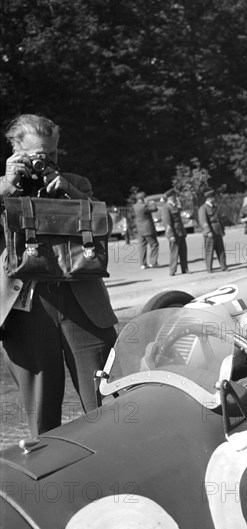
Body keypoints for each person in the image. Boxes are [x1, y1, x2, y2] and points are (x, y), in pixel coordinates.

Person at [0, 114, 118, 437]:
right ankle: (54, 485)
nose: (47, 162)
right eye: (38, 155)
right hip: (26, 310)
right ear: (15, 151)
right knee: (42, 422)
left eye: (52, 155)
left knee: (108, 404)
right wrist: (8, 186)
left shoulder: (76, 184)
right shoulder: (3, 188)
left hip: (83, 303)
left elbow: (103, 225)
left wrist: (67, 191)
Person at [198, 189, 228, 273]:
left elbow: (218, 219)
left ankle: (224, 266)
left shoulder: (214, 207)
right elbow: (203, 221)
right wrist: (208, 231)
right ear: (210, 198)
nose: (214, 199)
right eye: (213, 197)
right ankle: (209, 268)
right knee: (209, 251)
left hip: (217, 231)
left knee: (221, 250)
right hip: (210, 233)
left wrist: (222, 229)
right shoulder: (203, 208)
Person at [161, 189, 189, 276]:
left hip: (180, 231)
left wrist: (178, 202)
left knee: (183, 251)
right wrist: (170, 235)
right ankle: (172, 270)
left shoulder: (175, 206)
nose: (175, 197)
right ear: (170, 197)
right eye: (173, 196)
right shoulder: (166, 207)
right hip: (174, 232)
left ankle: (185, 269)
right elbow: (167, 222)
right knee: (174, 252)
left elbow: (181, 209)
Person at [133, 191, 159, 269]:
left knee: (142, 246)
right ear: (143, 198)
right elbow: (155, 209)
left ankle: (143, 264)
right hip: (148, 229)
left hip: (140, 229)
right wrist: (151, 202)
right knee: (154, 245)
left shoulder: (135, 206)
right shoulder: (144, 206)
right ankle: (153, 262)